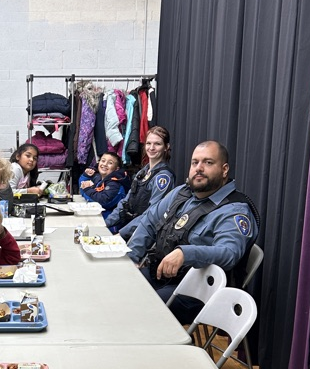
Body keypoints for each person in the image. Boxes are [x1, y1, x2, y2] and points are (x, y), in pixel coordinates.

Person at [128, 140, 259, 323]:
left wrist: (185, 253)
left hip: (198, 291)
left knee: (139, 308)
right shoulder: (183, 193)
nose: (199, 168)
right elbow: (149, 220)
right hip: (160, 274)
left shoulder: (234, 210)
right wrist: (132, 258)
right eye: (195, 162)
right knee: (119, 286)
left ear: (224, 169)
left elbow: (229, 253)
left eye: (208, 162)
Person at [106, 126, 175, 235]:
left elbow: (151, 215)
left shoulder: (163, 178)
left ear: (166, 147)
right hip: (130, 229)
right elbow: (125, 203)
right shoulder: (143, 172)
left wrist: (122, 234)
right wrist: (105, 223)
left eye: (157, 144)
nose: (151, 148)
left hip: (145, 236)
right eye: (148, 143)